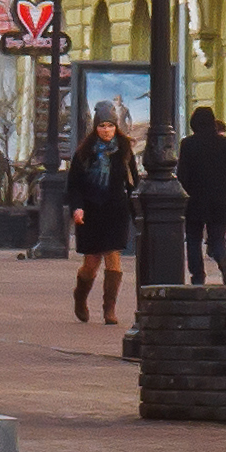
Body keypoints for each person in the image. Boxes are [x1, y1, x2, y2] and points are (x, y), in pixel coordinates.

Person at [67, 110, 139, 325]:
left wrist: (136, 209)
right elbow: (74, 186)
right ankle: (80, 296)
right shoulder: (84, 153)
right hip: (90, 212)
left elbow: (133, 183)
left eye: (110, 126)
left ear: (116, 127)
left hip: (115, 211)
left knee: (113, 259)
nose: (106, 131)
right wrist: (77, 208)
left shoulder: (125, 152)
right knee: (91, 263)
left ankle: (109, 309)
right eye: (102, 126)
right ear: (95, 128)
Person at [176, 105, 226, 285]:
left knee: (193, 240)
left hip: (194, 202)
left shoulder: (188, 144)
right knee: (217, 238)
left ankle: (197, 276)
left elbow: (182, 175)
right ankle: (225, 267)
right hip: (220, 202)